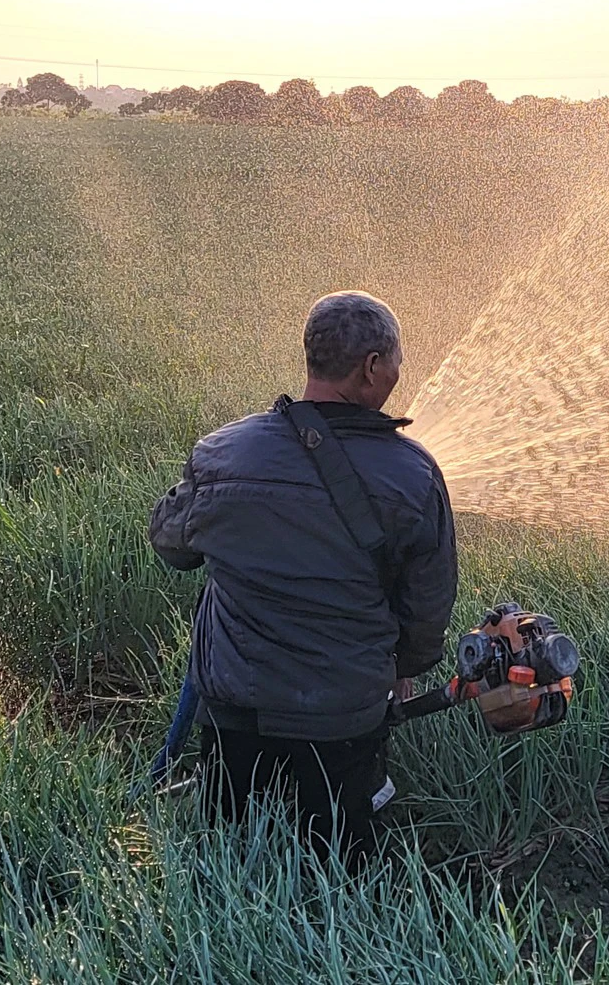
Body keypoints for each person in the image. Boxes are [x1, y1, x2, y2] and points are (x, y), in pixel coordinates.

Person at [149, 291, 457, 860]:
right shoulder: (413, 473)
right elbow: (428, 609)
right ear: (371, 368)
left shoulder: (221, 452)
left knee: (228, 854)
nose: (399, 372)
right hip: (343, 714)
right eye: (395, 360)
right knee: (340, 863)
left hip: (234, 706)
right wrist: (402, 670)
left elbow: (172, 545)